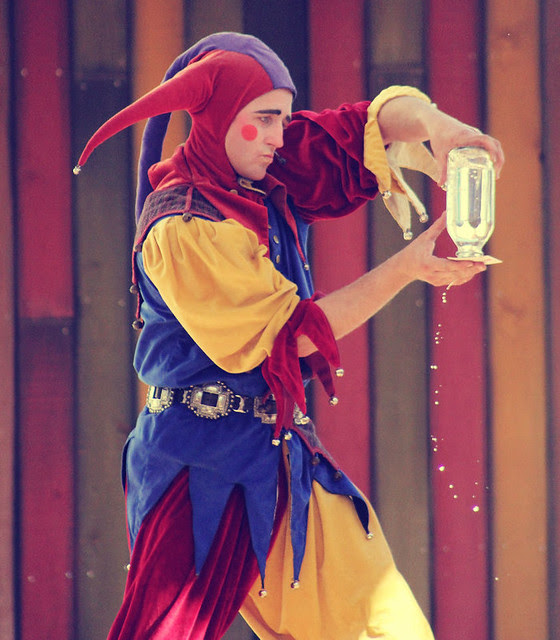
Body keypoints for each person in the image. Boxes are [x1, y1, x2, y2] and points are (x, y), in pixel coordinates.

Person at [74, 32, 504, 640]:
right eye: (266, 118)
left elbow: (366, 125)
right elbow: (291, 336)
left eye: (283, 117)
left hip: (281, 455)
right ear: (220, 117)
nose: (279, 135)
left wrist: (442, 128)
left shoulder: (264, 163)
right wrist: (407, 268)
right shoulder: (184, 227)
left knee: (389, 630)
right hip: (196, 468)